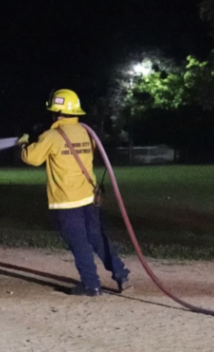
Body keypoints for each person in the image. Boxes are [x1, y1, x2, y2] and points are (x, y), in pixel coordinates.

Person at [17, 89, 132, 296]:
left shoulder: (50, 136)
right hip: (89, 197)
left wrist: (23, 142)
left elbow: (31, 158)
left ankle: (91, 285)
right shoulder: (87, 133)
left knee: (79, 243)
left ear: (56, 112)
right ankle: (121, 274)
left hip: (66, 202)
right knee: (97, 238)